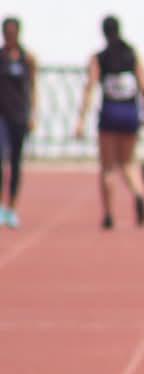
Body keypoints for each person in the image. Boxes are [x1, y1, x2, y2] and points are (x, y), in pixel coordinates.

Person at [75, 15, 144, 229]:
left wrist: (81, 119)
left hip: (110, 114)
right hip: (130, 114)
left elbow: (89, 86)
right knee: (129, 162)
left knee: (108, 166)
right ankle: (138, 193)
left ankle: (108, 213)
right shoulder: (132, 54)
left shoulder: (99, 57)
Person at [0, 16, 36, 229]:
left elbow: (32, 88)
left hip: (19, 116)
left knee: (16, 163)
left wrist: (32, 114)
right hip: (1, 116)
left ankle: (11, 208)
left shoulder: (27, 58)